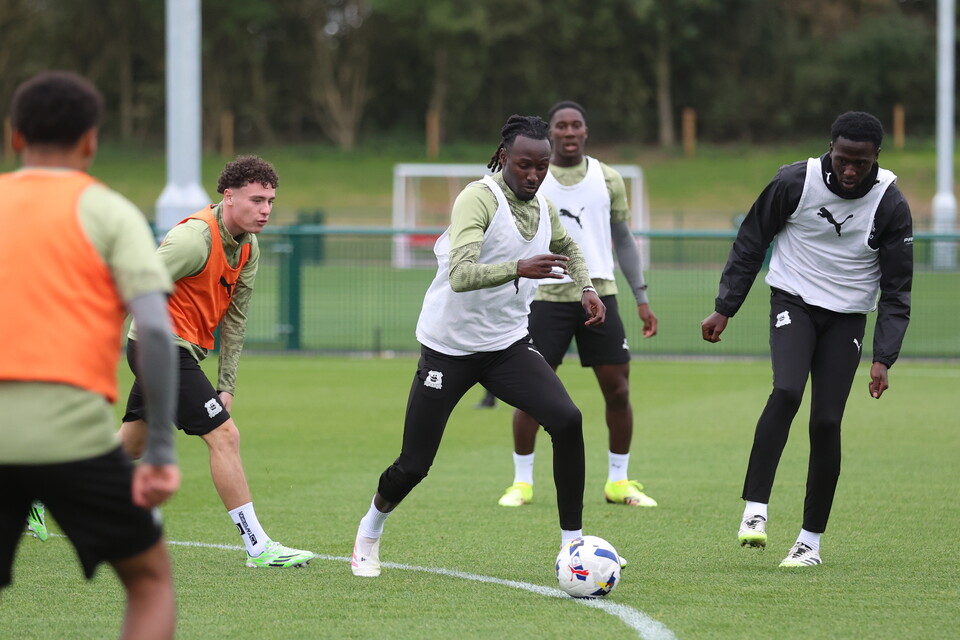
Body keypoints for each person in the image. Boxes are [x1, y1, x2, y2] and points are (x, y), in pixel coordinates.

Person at [351, 114, 606, 577]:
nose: (533, 175)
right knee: (414, 464)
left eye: (542, 167)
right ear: (505, 157)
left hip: (507, 345)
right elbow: (461, 274)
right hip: (448, 350)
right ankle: (369, 531)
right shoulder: (477, 199)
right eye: (525, 165)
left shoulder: (543, 205)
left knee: (567, 420)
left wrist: (586, 287)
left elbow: (569, 246)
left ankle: (573, 547)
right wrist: (519, 267)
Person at [0, 71, 180, 639]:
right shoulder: (108, 211)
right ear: (91, 141)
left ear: (14, 137)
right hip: (75, 436)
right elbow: (153, 330)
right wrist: (158, 449)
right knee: (150, 584)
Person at [701, 111, 913, 568]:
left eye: (860, 161)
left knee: (826, 424)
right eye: (842, 159)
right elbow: (751, 241)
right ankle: (755, 511)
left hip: (848, 317)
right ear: (830, 150)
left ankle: (809, 542)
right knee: (787, 390)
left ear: (877, 156)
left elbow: (897, 288)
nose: (850, 170)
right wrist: (725, 307)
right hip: (793, 299)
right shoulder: (795, 182)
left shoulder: (890, 204)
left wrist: (884, 358)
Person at [118, 155, 316, 569]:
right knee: (225, 437)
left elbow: (236, 320)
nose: (265, 210)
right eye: (256, 200)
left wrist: (227, 384)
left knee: (132, 445)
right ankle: (257, 546)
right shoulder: (194, 239)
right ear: (229, 197)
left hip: (182, 349)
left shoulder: (248, 246)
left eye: (271, 201)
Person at [497, 101, 659, 510]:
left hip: (599, 295)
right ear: (550, 133)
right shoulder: (532, 175)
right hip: (546, 298)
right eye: (561, 126)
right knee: (532, 391)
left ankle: (618, 482)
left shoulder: (608, 178)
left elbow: (623, 239)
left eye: (576, 125)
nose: (569, 132)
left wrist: (641, 296)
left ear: (586, 131)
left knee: (618, 389)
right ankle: (521, 482)